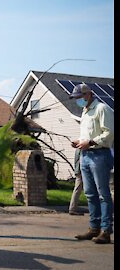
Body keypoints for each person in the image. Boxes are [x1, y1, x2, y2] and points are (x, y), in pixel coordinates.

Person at [70, 84, 114, 244]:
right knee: (90, 194)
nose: (77, 101)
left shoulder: (102, 108)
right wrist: (80, 141)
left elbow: (110, 132)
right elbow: (89, 134)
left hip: (100, 155)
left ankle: (106, 230)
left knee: (103, 194)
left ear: (89, 94)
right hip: (85, 155)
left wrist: (91, 142)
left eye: (79, 97)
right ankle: (94, 228)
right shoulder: (85, 112)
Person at [68, 148, 84, 215]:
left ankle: (72, 208)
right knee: (78, 189)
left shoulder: (78, 149)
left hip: (78, 170)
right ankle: (72, 208)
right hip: (81, 170)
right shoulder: (82, 148)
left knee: (77, 189)